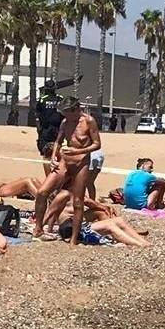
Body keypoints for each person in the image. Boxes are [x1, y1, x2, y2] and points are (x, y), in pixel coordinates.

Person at [54, 98, 101, 246]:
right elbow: (58, 140)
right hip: (66, 160)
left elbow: (97, 144)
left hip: (81, 162)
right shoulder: (65, 122)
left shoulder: (89, 121)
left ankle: (74, 238)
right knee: (46, 191)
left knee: (78, 201)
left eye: (68, 113)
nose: (66, 117)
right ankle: (42, 228)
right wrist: (54, 157)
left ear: (76, 110)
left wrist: (79, 150)